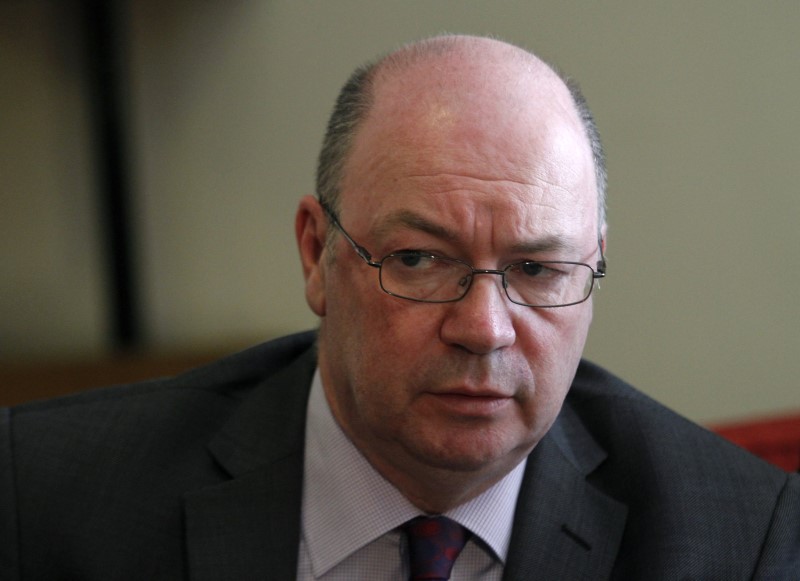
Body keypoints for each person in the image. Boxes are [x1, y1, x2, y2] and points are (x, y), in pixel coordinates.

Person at [1, 35, 797, 580]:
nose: (484, 328)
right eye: (419, 259)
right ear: (317, 253)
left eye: (538, 268)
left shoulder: (737, 538)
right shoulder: (47, 498)